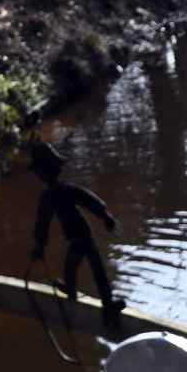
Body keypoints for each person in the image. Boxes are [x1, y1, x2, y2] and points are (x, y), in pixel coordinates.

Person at [29, 141, 124, 330]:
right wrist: (104, 215)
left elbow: (87, 200)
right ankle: (94, 298)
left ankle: (105, 304)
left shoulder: (53, 195)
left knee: (91, 267)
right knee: (86, 266)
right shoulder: (54, 195)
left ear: (42, 173)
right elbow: (43, 224)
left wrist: (105, 216)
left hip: (80, 234)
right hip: (77, 234)